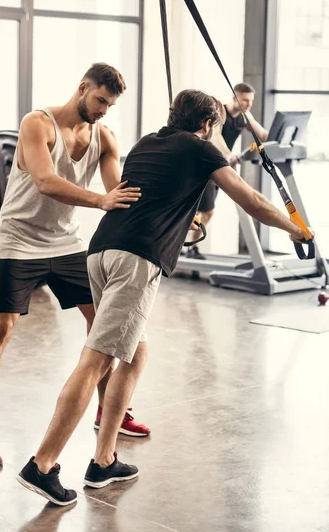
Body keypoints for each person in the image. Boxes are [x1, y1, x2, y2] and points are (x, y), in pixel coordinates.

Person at [16, 89, 311, 506]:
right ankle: (42, 465)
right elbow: (251, 200)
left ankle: (104, 460)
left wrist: (179, 220)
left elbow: (151, 192)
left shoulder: (147, 143)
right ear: (208, 125)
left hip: (101, 251)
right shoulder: (202, 149)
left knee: (135, 354)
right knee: (97, 359)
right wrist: (295, 229)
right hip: (136, 258)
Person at [0, 62, 149, 469]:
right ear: (83, 88)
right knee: (1, 328)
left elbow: (117, 189)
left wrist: (170, 208)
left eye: (110, 105)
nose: (103, 110)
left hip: (66, 244)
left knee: (105, 325)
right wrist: (99, 201)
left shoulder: (104, 137)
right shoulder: (37, 125)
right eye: (100, 100)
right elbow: (45, 181)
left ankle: (107, 410)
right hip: (18, 240)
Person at [186, 82, 269, 258]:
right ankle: (190, 247)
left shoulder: (245, 116)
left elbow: (262, 134)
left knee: (203, 212)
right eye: (245, 100)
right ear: (235, 97)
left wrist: (280, 137)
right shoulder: (219, 112)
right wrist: (228, 155)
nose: (248, 104)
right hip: (208, 165)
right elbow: (216, 136)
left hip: (222, 166)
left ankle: (189, 247)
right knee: (207, 211)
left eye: (250, 101)